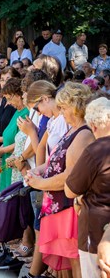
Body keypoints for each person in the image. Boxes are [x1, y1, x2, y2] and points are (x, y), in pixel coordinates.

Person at [25, 82, 95, 277]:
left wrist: (40, 183)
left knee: (77, 260)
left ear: (75, 107)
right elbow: (55, 161)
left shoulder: (84, 134)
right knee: (69, 260)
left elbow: (71, 176)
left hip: (69, 206)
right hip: (60, 204)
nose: (61, 112)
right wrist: (38, 171)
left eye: (64, 108)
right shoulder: (73, 129)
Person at [65, 97, 110, 278]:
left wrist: (78, 198)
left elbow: (70, 189)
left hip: (96, 226)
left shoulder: (96, 150)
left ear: (93, 125)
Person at [0, 78, 30, 190]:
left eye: (9, 99)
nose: (10, 103)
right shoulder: (17, 111)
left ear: (18, 95)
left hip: (16, 161)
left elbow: (23, 141)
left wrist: (2, 150)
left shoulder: (26, 113)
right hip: (8, 160)